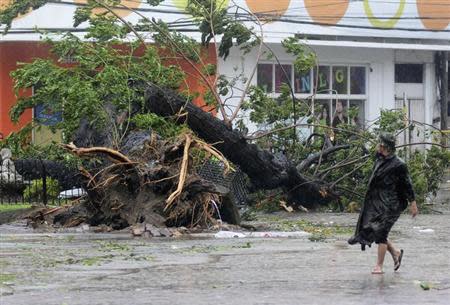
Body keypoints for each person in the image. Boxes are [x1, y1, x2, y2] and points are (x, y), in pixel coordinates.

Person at [347, 132, 418, 274]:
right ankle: (396, 253)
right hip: (377, 202)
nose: (377, 145)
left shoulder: (399, 164)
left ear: (384, 146)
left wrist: (413, 203)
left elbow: (407, 184)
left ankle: (379, 266)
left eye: (379, 143)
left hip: (391, 204)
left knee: (381, 233)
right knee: (376, 230)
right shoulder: (379, 158)